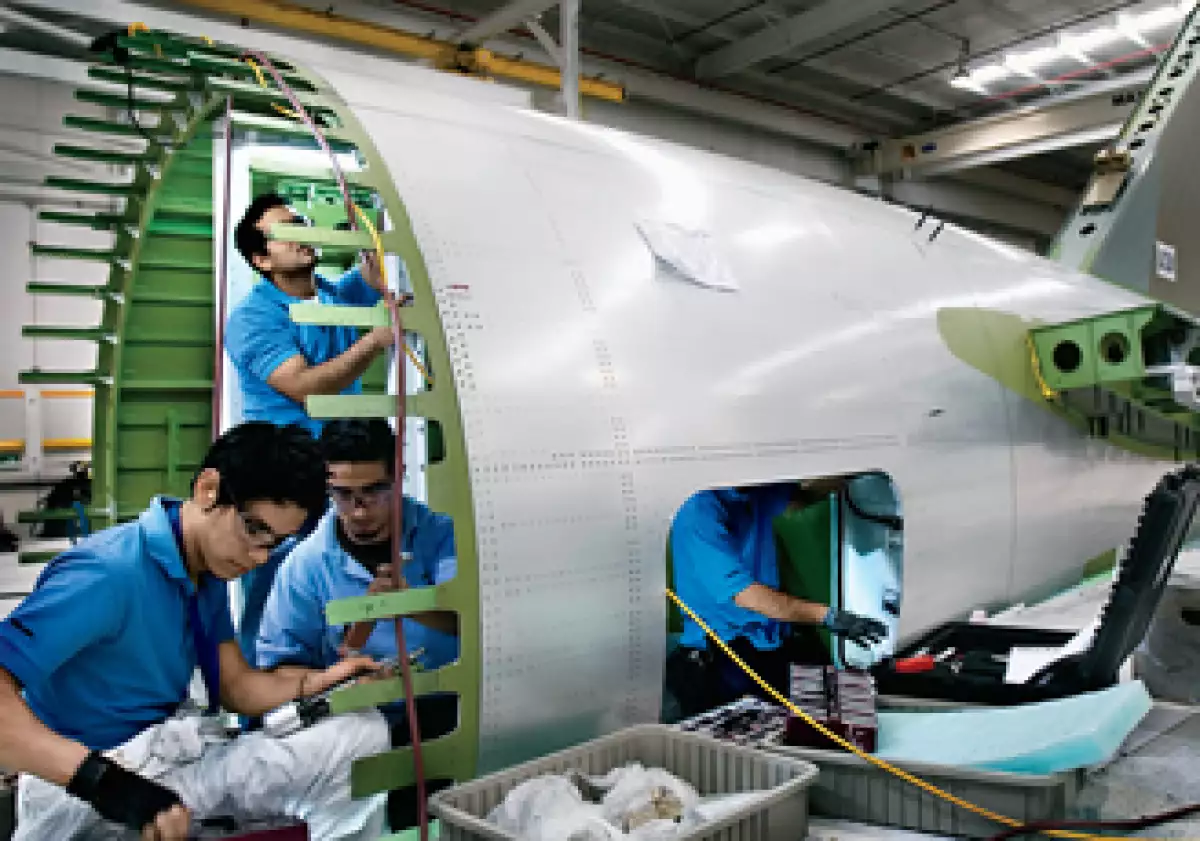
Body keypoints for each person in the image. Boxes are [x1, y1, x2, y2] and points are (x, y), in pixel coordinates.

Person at [0, 422, 388, 841]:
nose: (260, 557)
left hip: (164, 763)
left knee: (361, 732)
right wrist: (104, 783)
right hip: (83, 791)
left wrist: (323, 681)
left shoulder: (203, 570)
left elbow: (237, 688)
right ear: (208, 489)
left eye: (276, 543)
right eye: (255, 530)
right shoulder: (107, 574)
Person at [256, 418, 459, 830]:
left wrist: (410, 603)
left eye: (374, 491)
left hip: (450, 710)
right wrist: (339, 679)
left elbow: (468, 620)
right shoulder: (305, 567)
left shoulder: (440, 536)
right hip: (363, 723)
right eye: (343, 495)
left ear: (399, 476)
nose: (360, 510)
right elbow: (278, 670)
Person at [223, 193, 393, 659]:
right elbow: (305, 388)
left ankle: (323, 682)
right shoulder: (252, 319)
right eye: (284, 231)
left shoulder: (329, 296)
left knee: (335, 584)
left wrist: (375, 261)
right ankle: (259, 702)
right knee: (274, 586)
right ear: (261, 260)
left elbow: (368, 280)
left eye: (300, 223)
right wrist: (375, 341)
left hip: (338, 471)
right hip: (285, 476)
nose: (300, 234)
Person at [665, 482, 888, 718]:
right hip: (722, 654)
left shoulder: (751, 492)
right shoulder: (697, 511)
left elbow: (802, 497)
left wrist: (850, 473)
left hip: (767, 642)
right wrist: (828, 616)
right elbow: (745, 595)